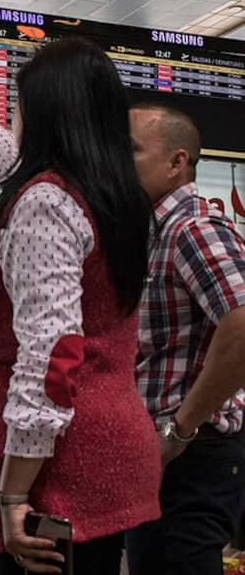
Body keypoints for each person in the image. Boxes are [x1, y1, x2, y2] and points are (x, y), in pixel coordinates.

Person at [0, 38, 161, 575]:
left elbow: (52, 354)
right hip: (111, 450)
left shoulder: (44, 203)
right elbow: (16, 168)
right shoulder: (111, 197)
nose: (14, 119)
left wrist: (14, 495)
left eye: (17, 107)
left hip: (55, 472)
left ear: (44, 114)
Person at [124, 103, 245, 575]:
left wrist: (178, 431)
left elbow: (242, 325)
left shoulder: (192, 229)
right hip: (163, 457)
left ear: (177, 162)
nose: (118, 160)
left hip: (192, 457)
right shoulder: (154, 234)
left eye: (132, 150)